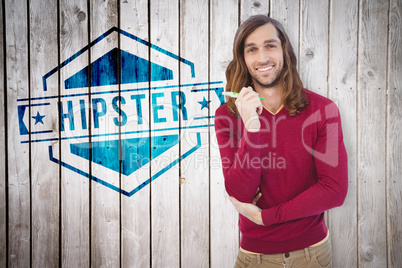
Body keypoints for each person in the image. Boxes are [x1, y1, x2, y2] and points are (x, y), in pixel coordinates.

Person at [214, 15, 348, 268]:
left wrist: (267, 217)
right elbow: (239, 193)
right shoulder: (227, 116)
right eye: (251, 49)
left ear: (284, 50)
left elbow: (334, 190)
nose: (263, 58)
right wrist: (252, 128)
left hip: (313, 255)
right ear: (243, 58)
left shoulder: (324, 110)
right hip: (254, 257)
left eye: (270, 45)